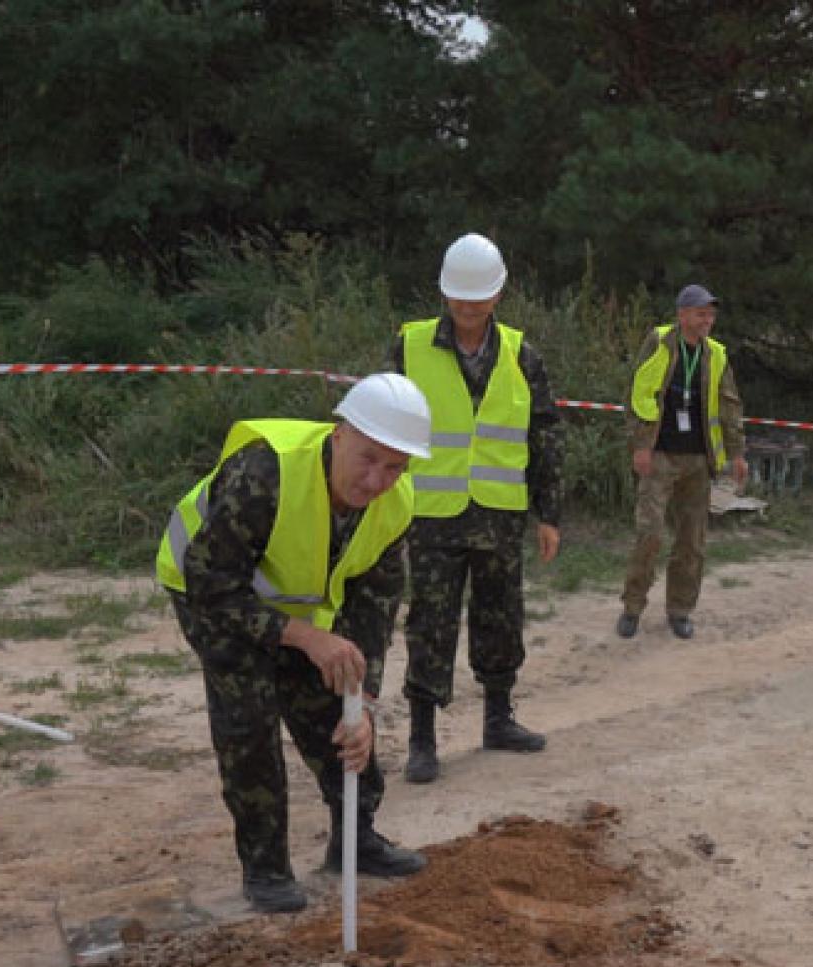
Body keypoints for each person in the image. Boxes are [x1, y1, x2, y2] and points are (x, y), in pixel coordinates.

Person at [156, 374, 432, 914]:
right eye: (367, 458)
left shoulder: (395, 505)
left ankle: (356, 839)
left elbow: (374, 607)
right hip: (211, 594)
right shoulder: (266, 474)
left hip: (297, 611)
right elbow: (211, 584)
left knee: (336, 716)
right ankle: (265, 868)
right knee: (249, 722)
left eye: (395, 466)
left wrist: (363, 701)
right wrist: (303, 637)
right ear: (339, 434)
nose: (377, 479)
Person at [392, 233, 561, 783]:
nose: (467, 307)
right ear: (444, 294)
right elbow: (386, 425)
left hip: (499, 514)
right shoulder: (410, 347)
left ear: (498, 295)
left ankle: (498, 718)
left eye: (478, 296)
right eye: (458, 297)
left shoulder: (522, 355)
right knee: (430, 622)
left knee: (500, 615)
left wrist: (549, 513)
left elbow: (544, 436)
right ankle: (422, 737)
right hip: (432, 514)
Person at [618, 284, 748, 639]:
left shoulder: (716, 354)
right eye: (701, 312)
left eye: (711, 314)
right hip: (660, 454)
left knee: (692, 540)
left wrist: (737, 453)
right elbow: (637, 393)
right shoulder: (660, 341)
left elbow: (730, 405)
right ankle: (632, 606)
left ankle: (680, 609)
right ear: (682, 314)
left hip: (698, 459)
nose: (708, 320)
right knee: (650, 533)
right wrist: (640, 445)